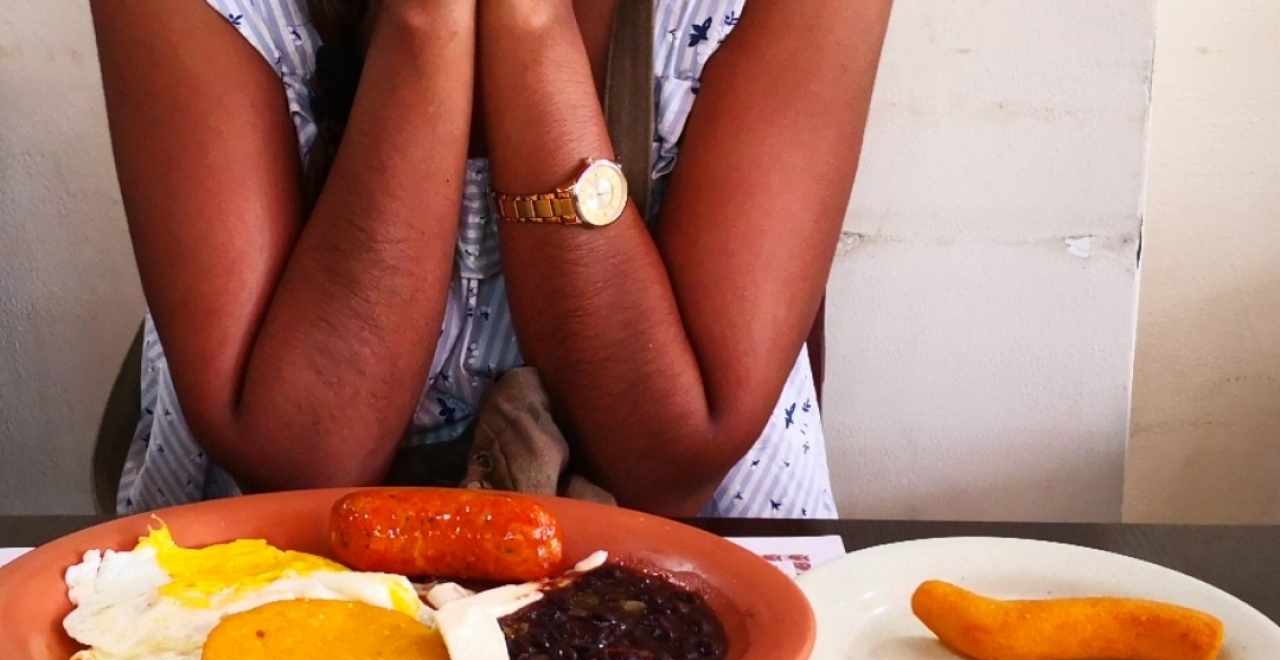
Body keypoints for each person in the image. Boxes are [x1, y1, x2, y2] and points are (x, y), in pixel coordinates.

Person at [90, 0, 893, 517]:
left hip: (696, 589)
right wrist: (427, 24)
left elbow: (668, 463)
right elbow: (299, 461)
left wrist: (527, 24)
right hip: (284, 600)